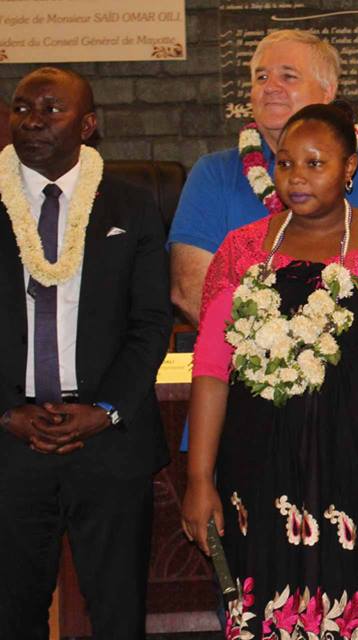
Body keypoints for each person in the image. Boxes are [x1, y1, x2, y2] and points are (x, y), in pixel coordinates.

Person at [181, 102, 358, 638]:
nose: (296, 177)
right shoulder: (240, 249)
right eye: (284, 163)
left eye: (314, 163)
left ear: (350, 167)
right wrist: (199, 478)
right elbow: (210, 368)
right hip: (260, 468)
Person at [0, 67, 172, 638]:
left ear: (89, 125)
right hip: (9, 441)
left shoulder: (132, 205)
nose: (33, 121)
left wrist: (107, 410)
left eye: (52, 109)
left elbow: (151, 322)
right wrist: (6, 412)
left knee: (118, 616)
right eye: (22, 108)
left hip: (109, 441)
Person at [169, 29, 358, 326]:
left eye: (288, 76)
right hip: (245, 352)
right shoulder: (212, 174)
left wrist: (331, 348)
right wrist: (270, 349)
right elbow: (192, 291)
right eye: (261, 77)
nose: (271, 87)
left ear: (327, 92)